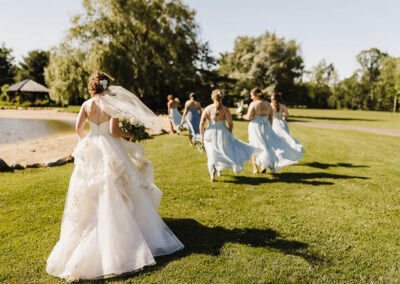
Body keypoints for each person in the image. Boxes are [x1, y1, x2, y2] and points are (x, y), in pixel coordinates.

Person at [46, 71, 184, 282]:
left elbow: (78, 129)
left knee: (90, 190)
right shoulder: (111, 105)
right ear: (106, 86)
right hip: (110, 148)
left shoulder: (86, 105)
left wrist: (89, 141)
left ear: (92, 87)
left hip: (92, 147)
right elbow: (114, 130)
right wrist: (131, 134)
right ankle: (126, 236)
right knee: (118, 188)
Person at [200, 89, 258, 182]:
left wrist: (202, 136)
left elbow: (202, 124)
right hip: (223, 132)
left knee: (212, 153)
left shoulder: (207, 109)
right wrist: (229, 133)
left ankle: (213, 175)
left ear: (212, 98)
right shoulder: (225, 110)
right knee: (222, 151)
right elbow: (230, 124)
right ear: (222, 98)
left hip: (210, 133)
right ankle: (219, 170)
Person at [243, 88, 302, 174]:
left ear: (256, 95)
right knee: (266, 145)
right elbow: (271, 118)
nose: (251, 98)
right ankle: (264, 164)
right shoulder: (268, 104)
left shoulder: (253, 104)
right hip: (267, 125)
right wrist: (269, 127)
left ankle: (255, 168)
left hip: (255, 126)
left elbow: (249, 117)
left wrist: (243, 116)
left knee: (254, 145)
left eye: (252, 95)